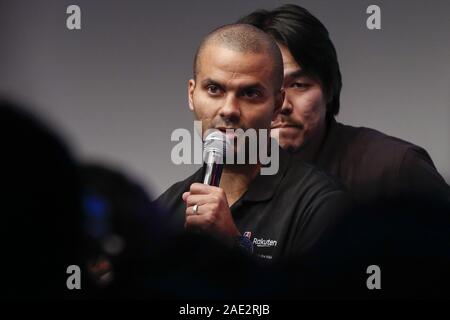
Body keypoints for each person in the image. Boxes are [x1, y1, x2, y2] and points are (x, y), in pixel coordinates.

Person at [156, 24, 351, 262]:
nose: (228, 109)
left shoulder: (321, 205)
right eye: (214, 89)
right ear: (191, 95)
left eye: (250, 93)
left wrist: (233, 245)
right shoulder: (167, 207)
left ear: (277, 105)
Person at [238, 4, 450, 206]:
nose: (281, 104)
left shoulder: (395, 169)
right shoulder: (232, 177)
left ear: (329, 88)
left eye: (298, 84)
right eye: (259, 89)